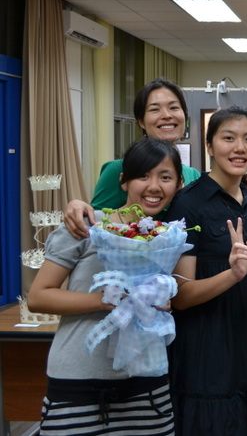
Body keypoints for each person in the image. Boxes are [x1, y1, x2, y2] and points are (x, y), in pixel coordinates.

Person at [27, 138, 184, 435]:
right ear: (124, 181)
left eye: (165, 177)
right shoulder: (86, 226)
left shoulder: (170, 237)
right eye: (143, 176)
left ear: (178, 185)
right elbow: (39, 297)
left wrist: (164, 301)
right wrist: (107, 300)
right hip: (79, 380)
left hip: (147, 384)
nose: (154, 186)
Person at [164, 106, 247, 435]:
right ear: (209, 145)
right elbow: (181, 296)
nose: (240, 148)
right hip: (209, 344)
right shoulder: (188, 204)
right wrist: (232, 274)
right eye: (228, 138)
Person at [63, 78, 247, 238]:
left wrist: (242, 187)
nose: (166, 115)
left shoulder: (191, 174)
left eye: (174, 108)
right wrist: (77, 207)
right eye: (155, 109)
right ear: (141, 122)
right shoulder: (119, 169)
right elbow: (95, 224)